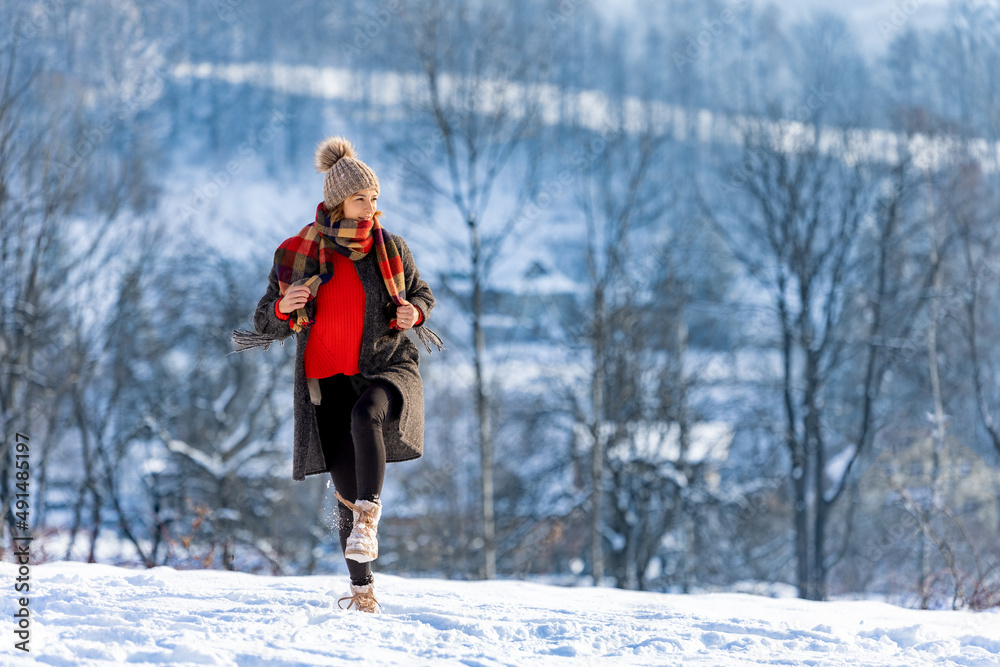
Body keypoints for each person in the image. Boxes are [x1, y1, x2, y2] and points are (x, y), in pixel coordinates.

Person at [232, 136, 442, 614]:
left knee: (368, 415)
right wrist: (283, 308)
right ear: (337, 201)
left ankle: (370, 518)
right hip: (325, 382)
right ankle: (362, 591)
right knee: (344, 491)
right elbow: (266, 318)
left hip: (386, 366)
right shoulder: (298, 253)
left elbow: (423, 294)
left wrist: (416, 313)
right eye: (362, 198)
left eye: (375, 198)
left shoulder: (390, 250)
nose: (371, 208)